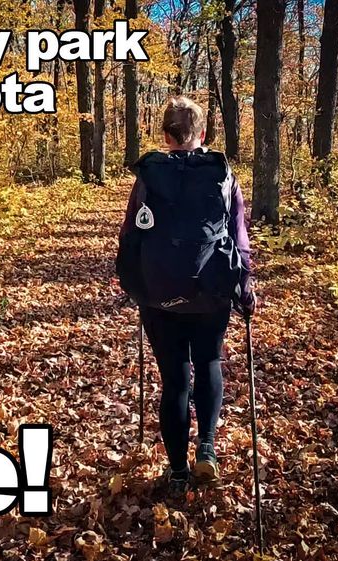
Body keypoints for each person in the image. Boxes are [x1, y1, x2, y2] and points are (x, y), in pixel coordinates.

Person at [119, 96, 255, 498]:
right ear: (203, 134)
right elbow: (239, 236)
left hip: (160, 297)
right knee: (209, 361)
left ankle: (177, 471)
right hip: (211, 290)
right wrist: (244, 286)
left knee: (175, 381)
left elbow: (130, 236)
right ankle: (206, 447)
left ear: (165, 135)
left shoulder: (149, 176)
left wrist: (135, 285)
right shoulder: (222, 175)